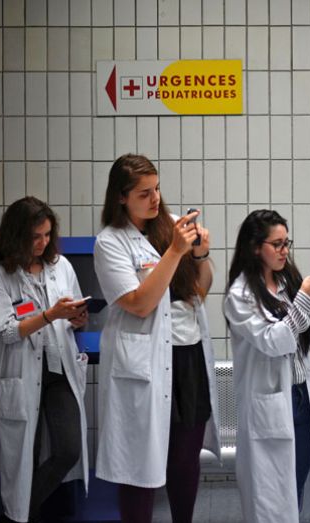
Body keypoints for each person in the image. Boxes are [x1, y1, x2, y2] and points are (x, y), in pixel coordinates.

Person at [94, 153, 221, 523]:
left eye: (157, 189)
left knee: (185, 455)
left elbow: (199, 292)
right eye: (144, 193)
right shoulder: (111, 243)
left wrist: (200, 254)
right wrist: (176, 251)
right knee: (140, 463)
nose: (155, 199)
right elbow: (139, 303)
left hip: (188, 353)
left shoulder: (168, 226)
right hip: (145, 361)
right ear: (121, 197)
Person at [224, 209, 310, 522]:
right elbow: (274, 341)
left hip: (302, 398)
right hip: (271, 404)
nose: (285, 250)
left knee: (296, 488)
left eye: (287, 243)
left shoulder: (289, 282)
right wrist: (303, 300)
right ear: (255, 247)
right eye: (277, 244)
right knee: (272, 497)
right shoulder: (240, 295)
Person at [0, 196, 89, 523]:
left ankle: (18, 513)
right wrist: (49, 315)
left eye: (47, 235)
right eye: (35, 237)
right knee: (23, 458)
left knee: (68, 450)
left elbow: (69, 313)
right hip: (23, 375)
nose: (43, 243)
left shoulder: (62, 267)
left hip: (60, 372)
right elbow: (4, 331)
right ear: (16, 236)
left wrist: (76, 318)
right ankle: (20, 514)